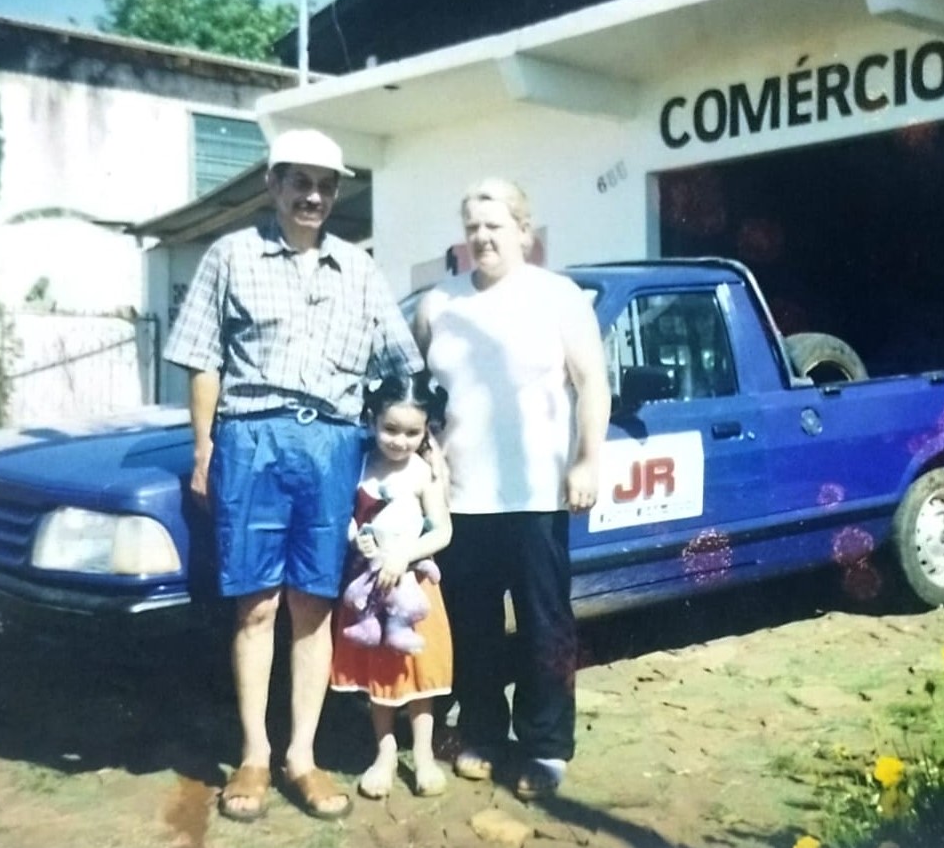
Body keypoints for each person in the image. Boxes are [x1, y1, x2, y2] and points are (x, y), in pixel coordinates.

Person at [163, 127, 421, 824]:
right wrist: (203, 449)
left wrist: (423, 439)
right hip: (251, 438)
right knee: (255, 605)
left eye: (325, 184)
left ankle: (300, 757)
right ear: (273, 185)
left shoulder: (359, 270)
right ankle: (252, 751)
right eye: (299, 181)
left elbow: (403, 362)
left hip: (333, 442)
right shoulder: (232, 254)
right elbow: (200, 356)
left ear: (336, 194)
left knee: (313, 605)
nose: (312, 195)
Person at [413, 178, 611, 801]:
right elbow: (416, 396)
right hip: (461, 499)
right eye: (473, 227)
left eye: (495, 226)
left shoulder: (559, 297)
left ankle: (547, 747)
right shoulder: (437, 304)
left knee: (543, 626)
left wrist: (587, 461)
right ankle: (481, 731)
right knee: (470, 625)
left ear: (524, 231)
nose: (483, 237)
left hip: (536, 495)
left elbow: (593, 385)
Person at [329, 371, 454, 799]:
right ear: (372, 421)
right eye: (390, 429)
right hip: (371, 588)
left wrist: (406, 554)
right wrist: (355, 537)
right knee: (381, 673)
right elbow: (348, 516)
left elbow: (442, 531)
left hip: (414, 588)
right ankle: (383, 752)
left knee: (417, 672)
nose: (399, 440)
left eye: (411, 432)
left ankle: (421, 754)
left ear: (425, 432)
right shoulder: (360, 465)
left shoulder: (423, 473)